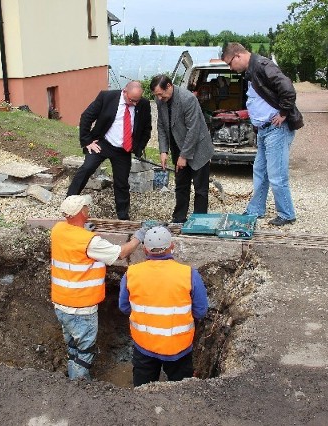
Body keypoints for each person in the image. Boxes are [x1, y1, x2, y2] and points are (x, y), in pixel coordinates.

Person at [51, 194, 148, 380]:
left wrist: (85, 232)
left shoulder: (58, 229)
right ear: (81, 212)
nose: (88, 209)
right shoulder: (90, 242)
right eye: (86, 207)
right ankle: (79, 386)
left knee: (73, 347)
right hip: (81, 310)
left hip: (61, 305)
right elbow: (121, 253)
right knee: (85, 351)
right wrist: (138, 237)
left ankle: (72, 379)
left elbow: (74, 240)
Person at [221, 43, 304, 226]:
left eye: (229, 63)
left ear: (238, 56)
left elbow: (288, 89)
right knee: (260, 171)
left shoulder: (262, 66)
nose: (230, 68)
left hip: (276, 130)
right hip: (265, 130)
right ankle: (256, 209)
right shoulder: (251, 71)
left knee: (277, 174)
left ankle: (287, 213)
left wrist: (283, 113)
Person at [118, 226, 209, 386]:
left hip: (144, 345)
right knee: (182, 391)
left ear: (145, 249)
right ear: (171, 247)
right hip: (179, 348)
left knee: (142, 391)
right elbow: (200, 312)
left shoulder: (131, 273)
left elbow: (124, 307)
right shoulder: (189, 274)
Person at [67, 81, 152, 220]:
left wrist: (139, 147)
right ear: (124, 92)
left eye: (137, 100)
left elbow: (146, 128)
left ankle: (123, 215)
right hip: (103, 143)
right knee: (86, 168)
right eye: (132, 100)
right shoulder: (106, 97)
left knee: (122, 182)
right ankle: (69, 203)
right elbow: (86, 116)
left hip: (124, 149)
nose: (135, 103)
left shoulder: (143, 104)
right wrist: (87, 140)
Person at [150, 75, 214, 224]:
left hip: (198, 148)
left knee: (200, 189)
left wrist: (184, 156)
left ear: (169, 86)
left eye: (161, 94)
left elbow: (193, 130)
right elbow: (161, 125)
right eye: (156, 95)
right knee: (181, 185)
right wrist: (163, 150)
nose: (159, 98)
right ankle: (179, 218)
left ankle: (199, 221)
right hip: (178, 146)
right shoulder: (161, 101)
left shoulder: (187, 99)